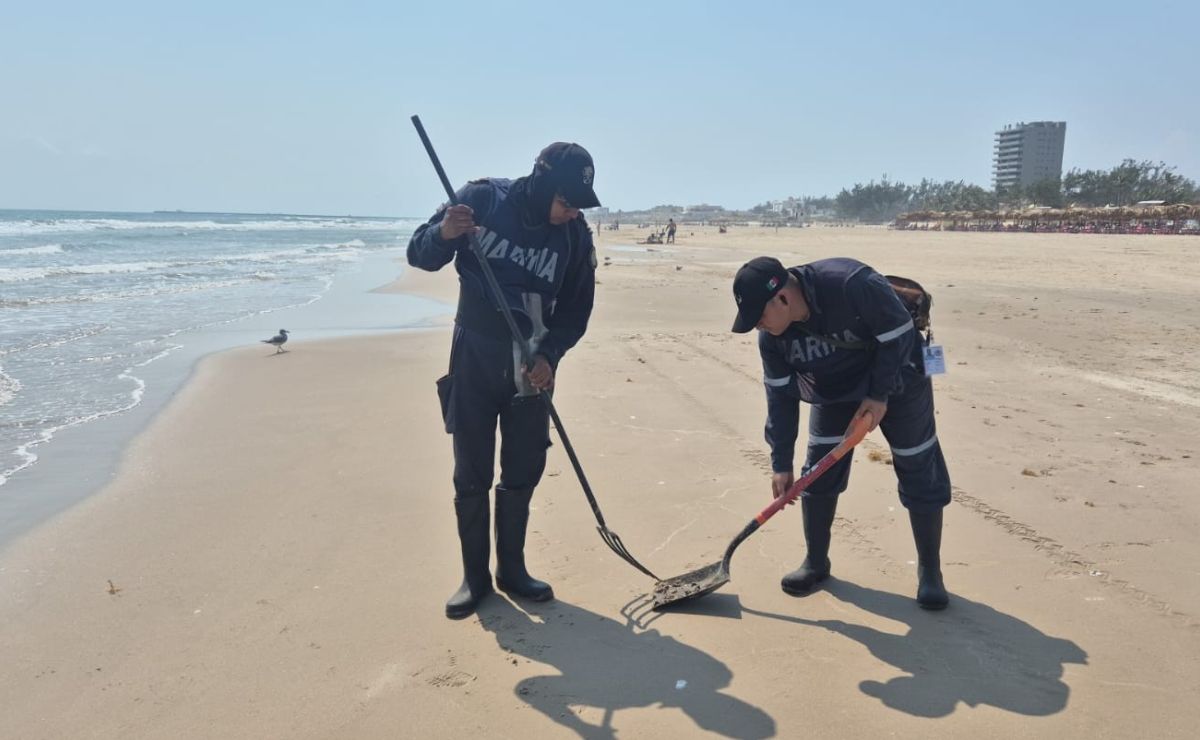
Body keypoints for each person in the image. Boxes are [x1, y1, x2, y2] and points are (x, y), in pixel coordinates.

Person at [407, 142, 600, 619]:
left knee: (523, 467)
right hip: (474, 353)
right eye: (565, 201)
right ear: (540, 182)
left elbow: (578, 309)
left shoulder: (575, 237)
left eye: (579, 203)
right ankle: (475, 578)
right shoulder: (483, 199)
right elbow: (420, 253)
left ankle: (510, 570)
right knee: (471, 468)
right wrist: (444, 233)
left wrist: (551, 355)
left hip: (531, 361)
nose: (572, 211)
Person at [730, 256, 951, 609]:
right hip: (834, 389)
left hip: (899, 378)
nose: (758, 326)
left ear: (783, 299)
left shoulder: (850, 283)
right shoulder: (772, 339)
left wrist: (878, 396)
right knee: (819, 471)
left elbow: (898, 335)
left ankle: (930, 572)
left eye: (759, 316)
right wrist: (780, 463)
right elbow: (780, 399)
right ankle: (816, 563)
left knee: (918, 464)